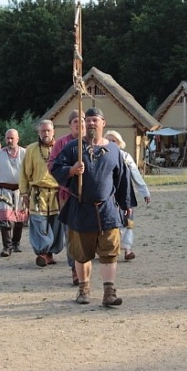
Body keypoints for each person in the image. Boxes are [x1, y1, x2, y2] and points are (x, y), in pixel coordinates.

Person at [51, 107, 133, 307]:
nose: (90, 123)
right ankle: (83, 290)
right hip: (80, 208)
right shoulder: (73, 147)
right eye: (87, 120)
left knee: (109, 253)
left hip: (107, 210)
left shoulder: (114, 150)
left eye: (95, 120)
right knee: (81, 254)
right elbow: (55, 167)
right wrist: (71, 170)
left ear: (103, 123)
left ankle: (109, 293)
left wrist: (125, 203)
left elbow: (122, 178)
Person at [19, 119, 63, 268]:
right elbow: (24, 173)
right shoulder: (31, 149)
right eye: (43, 131)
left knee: (55, 224)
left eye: (48, 130)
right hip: (38, 194)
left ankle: (49, 254)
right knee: (39, 222)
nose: (46, 133)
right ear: (38, 132)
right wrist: (24, 192)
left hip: (56, 194)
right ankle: (42, 252)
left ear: (53, 131)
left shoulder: (60, 147)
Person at [48, 109, 84, 286]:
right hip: (68, 195)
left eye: (82, 121)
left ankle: (85, 267)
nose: (80, 124)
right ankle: (75, 269)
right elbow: (52, 166)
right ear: (70, 125)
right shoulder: (62, 143)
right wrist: (70, 170)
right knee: (71, 234)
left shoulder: (93, 142)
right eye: (76, 121)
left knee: (88, 234)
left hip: (90, 196)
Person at [104, 130, 151, 261]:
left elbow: (135, 174)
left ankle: (127, 250)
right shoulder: (102, 156)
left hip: (125, 194)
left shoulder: (125, 157)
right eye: (109, 140)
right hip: (108, 195)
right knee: (110, 223)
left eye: (114, 141)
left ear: (119, 143)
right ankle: (109, 249)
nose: (111, 143)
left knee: (127, 222)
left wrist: (145, 192)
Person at [0, 129, 28, 257]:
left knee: (19, 219)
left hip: (20, 191)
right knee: (4, 219)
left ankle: (16, 243)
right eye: (7, 138)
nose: (9, 140)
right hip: (4, 192)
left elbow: (31, 172)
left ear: (18, 139)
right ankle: (7, 247)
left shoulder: (25, 153)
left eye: (12, 138)